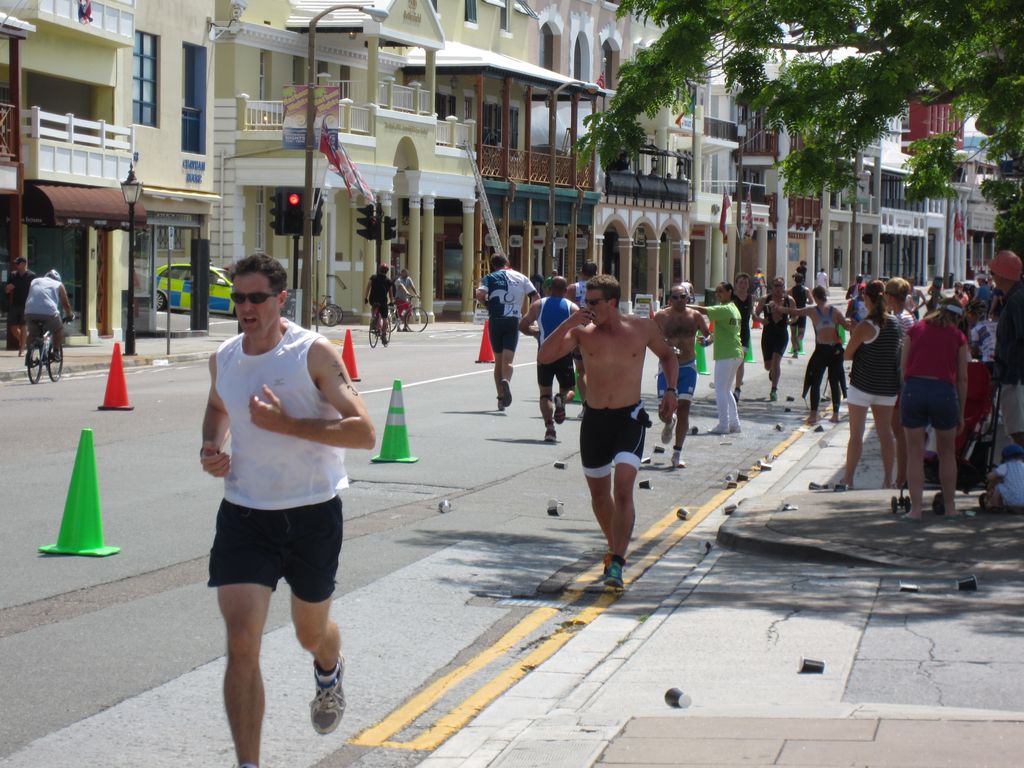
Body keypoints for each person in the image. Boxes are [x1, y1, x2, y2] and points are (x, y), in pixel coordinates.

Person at [199, 254, 376, 768]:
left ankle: (329, 668)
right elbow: (218, 406)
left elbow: (365, 432)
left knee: (309, 634)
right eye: (239, 298)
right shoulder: (224, 358)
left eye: (256, 298)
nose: (246, 307)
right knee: (241, 643)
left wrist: (288, 425)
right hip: (244, 515)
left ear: (281, 299)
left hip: (312, 515)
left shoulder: (312, 353)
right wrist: (211, 446)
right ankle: (248, 763)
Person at [537, 274, 677, 590]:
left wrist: (670, 389)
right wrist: (569, 321)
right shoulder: (582, 332)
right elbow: (544, 356)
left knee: (623, 489)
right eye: (585, 302)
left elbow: (669, 356)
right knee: (600, 497)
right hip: (595, 421)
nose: (587, 308)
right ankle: (615, 548)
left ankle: (617, 562)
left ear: (611, 302)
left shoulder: (641, 328)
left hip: (629, 419)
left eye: (593, 302)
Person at [900, 297, 969, 519]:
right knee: (947, 453)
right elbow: (962, 379)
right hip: (944, 391)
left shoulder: (916, 329)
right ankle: (950, 508)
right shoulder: (958, 336)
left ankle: (916, 510)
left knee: (914, 453)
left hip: (915, 389)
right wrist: (961, 413)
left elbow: (903, 368)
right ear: (957, 318)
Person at [840, 280, 902, 490]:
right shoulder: (894, 323)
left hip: (863, 386)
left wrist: (855, 334)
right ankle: (888, 480)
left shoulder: (866, 325)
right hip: (887, 387)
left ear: (867, 299)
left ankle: (848, 479)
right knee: (886, 435)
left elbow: (847, 354)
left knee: (856, 436)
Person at [770, 285, 847, 425]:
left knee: (815, 382)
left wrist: (778, 308)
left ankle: (813, 415)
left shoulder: (813, 311)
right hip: (835, 351)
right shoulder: (835, 311)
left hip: (822, 350)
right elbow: (847, 326)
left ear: (815, 297)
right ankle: (835, 415)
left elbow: (795, 311)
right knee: (834, 383)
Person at [653, 284, 710, 468]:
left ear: (688, 298)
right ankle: (669, 420)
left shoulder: (695, 316)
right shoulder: (661, 316)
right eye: (676, 297)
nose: (680, 300)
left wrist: (706, 341)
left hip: (687, 367)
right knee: (664, 412)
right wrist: (663, 344)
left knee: (684, 407)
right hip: (667, 366)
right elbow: (651, 337)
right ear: (670, 299)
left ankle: (677, 454)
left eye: (683, 296)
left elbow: (709, 335)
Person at [519, 276, 578, 442]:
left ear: (550, 289)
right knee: (570, 389)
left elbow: (522, 325)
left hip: (544, 354)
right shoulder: (572, 307)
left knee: (545, 394)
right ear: (565, 291)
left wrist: (535, 333)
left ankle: (550, 428)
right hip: (564, 354)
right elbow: (582, 329)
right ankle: (562, 400)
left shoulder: (539, 305)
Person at [476, 254, 538, 411]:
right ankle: (507, 381)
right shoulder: (521, 277)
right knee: (508, 361)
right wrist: (530, 317)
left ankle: (500, 398)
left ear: (493, 265)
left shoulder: (489, 277)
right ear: (507, 262)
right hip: (513, 320)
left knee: (498, 361)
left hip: (496, 320)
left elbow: (479, 294)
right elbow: (536, 297)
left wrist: (488, 304)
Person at [692, 282, 743, 434]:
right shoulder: (733, 309)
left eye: (721, 291)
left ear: (729, 292)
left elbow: (702, 310)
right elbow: (725, 332)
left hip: (727, 354)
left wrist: (682, 305)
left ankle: (723, 425)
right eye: (717, 291)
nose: (718, 294)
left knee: (720, 390)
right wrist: (708, 341)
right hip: (735, 353)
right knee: (726, 390)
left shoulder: (725, 308)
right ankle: (734, 424)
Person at [990, 249, 1024, 448]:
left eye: (993, 272)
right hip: (1012, 374)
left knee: (1018, 431)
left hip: (1016, 376)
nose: (992, 277)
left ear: (1003, 275)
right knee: (1015, 429)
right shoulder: (1014, 298)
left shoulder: (1017, 300)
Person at [885, 278, 916, 488]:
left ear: (890, 297)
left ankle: (901, 477)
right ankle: (902, 476)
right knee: (900, 431)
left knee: (898, 431)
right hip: (905, 378)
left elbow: (898, 351)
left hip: (899, 380)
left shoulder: (898, 319)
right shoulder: (908, 316)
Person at [754, 277, 791, 401]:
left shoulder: (789, 300)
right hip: (768, 334)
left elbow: (796, 314)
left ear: (783, 287)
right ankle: (772, 372)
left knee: (776, 361)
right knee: (768, 366)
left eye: (780, 286)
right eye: (776, 286)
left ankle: (774, 390)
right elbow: (755, 314)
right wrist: (761, 320)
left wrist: (791, 320)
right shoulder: (765, 299)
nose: (778, 288)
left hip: (781, 334)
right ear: (772, 287)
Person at [24, 269, 73, 360]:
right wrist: (69, 315)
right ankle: (56, 351)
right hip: (49, 313)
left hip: (29, 311)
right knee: (58, 329)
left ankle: (29, 353)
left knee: (32, 333)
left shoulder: (34, 281)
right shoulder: (58, 284)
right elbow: (65, 304)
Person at [570, 261, 599, 401]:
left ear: (581, 273)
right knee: (596, 369)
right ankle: (596, 401)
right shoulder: (601, 289)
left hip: (579, 329)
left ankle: (585, 404)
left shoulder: (573, 288)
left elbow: (569, 310)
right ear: (596, 274)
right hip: (596, 330)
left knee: (581, 370)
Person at [5, 256, 35, 355]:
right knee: (13, 327)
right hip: (15, 304)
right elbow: (7, 290)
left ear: (23, 264)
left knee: (23, 326)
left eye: (18, 263)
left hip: (26, 304)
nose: (16, 265)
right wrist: (8, 288)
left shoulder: (31, 276)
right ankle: (24, 341)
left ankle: (21, 350)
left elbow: (35, 290)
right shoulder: (13, 275)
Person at [731, 272, 753, 402]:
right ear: (736, 284)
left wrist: (761, 320)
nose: (743, 285)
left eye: (745, 283)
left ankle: (737, 389)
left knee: (740, 361)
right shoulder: (731, 298)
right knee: (730, 361)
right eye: (741, 282)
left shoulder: (750, 298)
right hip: (731, 333)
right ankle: (725, 384)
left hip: (744, 333)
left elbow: (753, 314)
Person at [984, 444, 1024, 511]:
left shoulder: (1005, 466)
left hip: (1014, 502)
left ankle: (995, 506)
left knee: (999, 487)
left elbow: (990, 477)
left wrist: (988, 475)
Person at [966, 300, 996, 366]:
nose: (967, 317)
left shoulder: (976, 329)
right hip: (1000, 359)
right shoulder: (994, 324)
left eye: (969, 314)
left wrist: (969, 327)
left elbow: (974, 353)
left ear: (977, 315)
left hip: (988, 361)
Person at [789, 272, 811, 358]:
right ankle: (798, 340)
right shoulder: (806, 290)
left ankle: (795, 352)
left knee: (793, 333)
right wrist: (805, 301)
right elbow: (811, 301)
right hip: (802, 312)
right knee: (801, 333)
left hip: (793, 312)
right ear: (803, 280)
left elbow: (788, 300)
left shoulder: (791, 290)